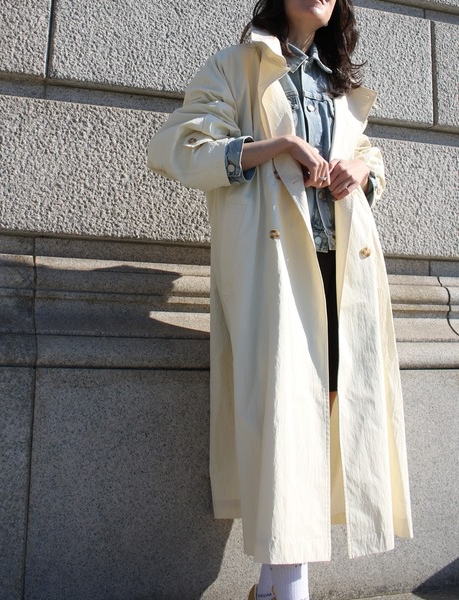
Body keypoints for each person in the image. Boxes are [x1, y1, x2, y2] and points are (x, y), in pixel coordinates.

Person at [147, 0, 413, 598]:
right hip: (276, 272)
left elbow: (368, 153)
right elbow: (177, 147)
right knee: (287, 424)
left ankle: (270, 591)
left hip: (341, 270)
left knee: (322, 418)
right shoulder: (237, 67)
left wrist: (359, 171)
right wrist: (274, 145)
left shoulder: (336, 82)